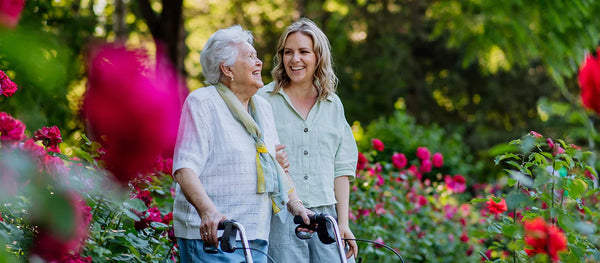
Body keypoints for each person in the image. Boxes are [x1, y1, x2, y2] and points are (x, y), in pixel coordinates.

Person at [172, 25, 310, 263]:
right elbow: (185, 168)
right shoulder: (203, 102)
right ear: (227, 69)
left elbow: (275, 168)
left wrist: (296, 204)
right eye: (250, 57)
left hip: (254, 235)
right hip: (212, 237)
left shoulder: (262, 108)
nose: (259, 63)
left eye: (257, 56)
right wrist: (208, 211)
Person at [258, 18, 359, 262]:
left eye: (304, 52)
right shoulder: (262, 100)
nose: (295, 59)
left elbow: (341, 169)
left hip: (327, 217)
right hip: (282, 215)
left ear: (318, 57)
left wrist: (343, 224)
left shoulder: (333, 104)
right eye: (288, 52)